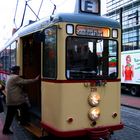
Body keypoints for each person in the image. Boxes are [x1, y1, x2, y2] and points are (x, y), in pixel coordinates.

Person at [2, 65, 40, 135]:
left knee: (9, 116)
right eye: (18, 70)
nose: (19, 72)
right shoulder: (15, 77)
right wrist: (35, 79)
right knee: (25, 107)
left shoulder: (10, 77)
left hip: (10, 100)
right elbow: (25, 81)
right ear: (16, 71)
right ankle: (23, 122)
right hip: (15, 101)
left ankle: (5, 130)